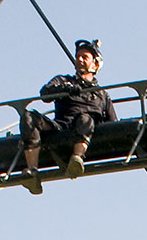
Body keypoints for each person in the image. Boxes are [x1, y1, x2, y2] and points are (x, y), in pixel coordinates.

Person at [22, 39, 116, 178]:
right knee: (28, 117)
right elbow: (45, 94)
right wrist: (64, 89)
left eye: (85, 57)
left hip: (85, 129)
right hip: (61, 127)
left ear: (95, 64)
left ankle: (77, 158)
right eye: (78, 56)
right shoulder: (64, 80)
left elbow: (113, 125)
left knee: (86, 118)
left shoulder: (102, 95)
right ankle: (33, 171)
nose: (80, 60)